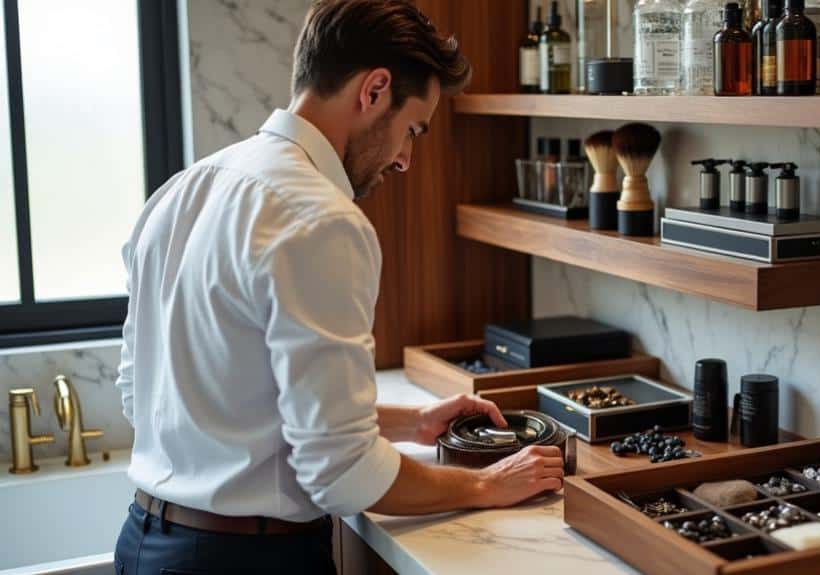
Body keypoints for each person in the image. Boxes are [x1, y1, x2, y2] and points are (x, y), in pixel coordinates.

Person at [112, 1, 564, 573]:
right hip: (245, 560)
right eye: (412, 130)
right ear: (374, 90)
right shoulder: (321, 217)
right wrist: (484, 487)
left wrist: (412, 424)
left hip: (144, 544)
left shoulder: (182, 190)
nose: (405, 159)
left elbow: (152, 393)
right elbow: (344, 477)